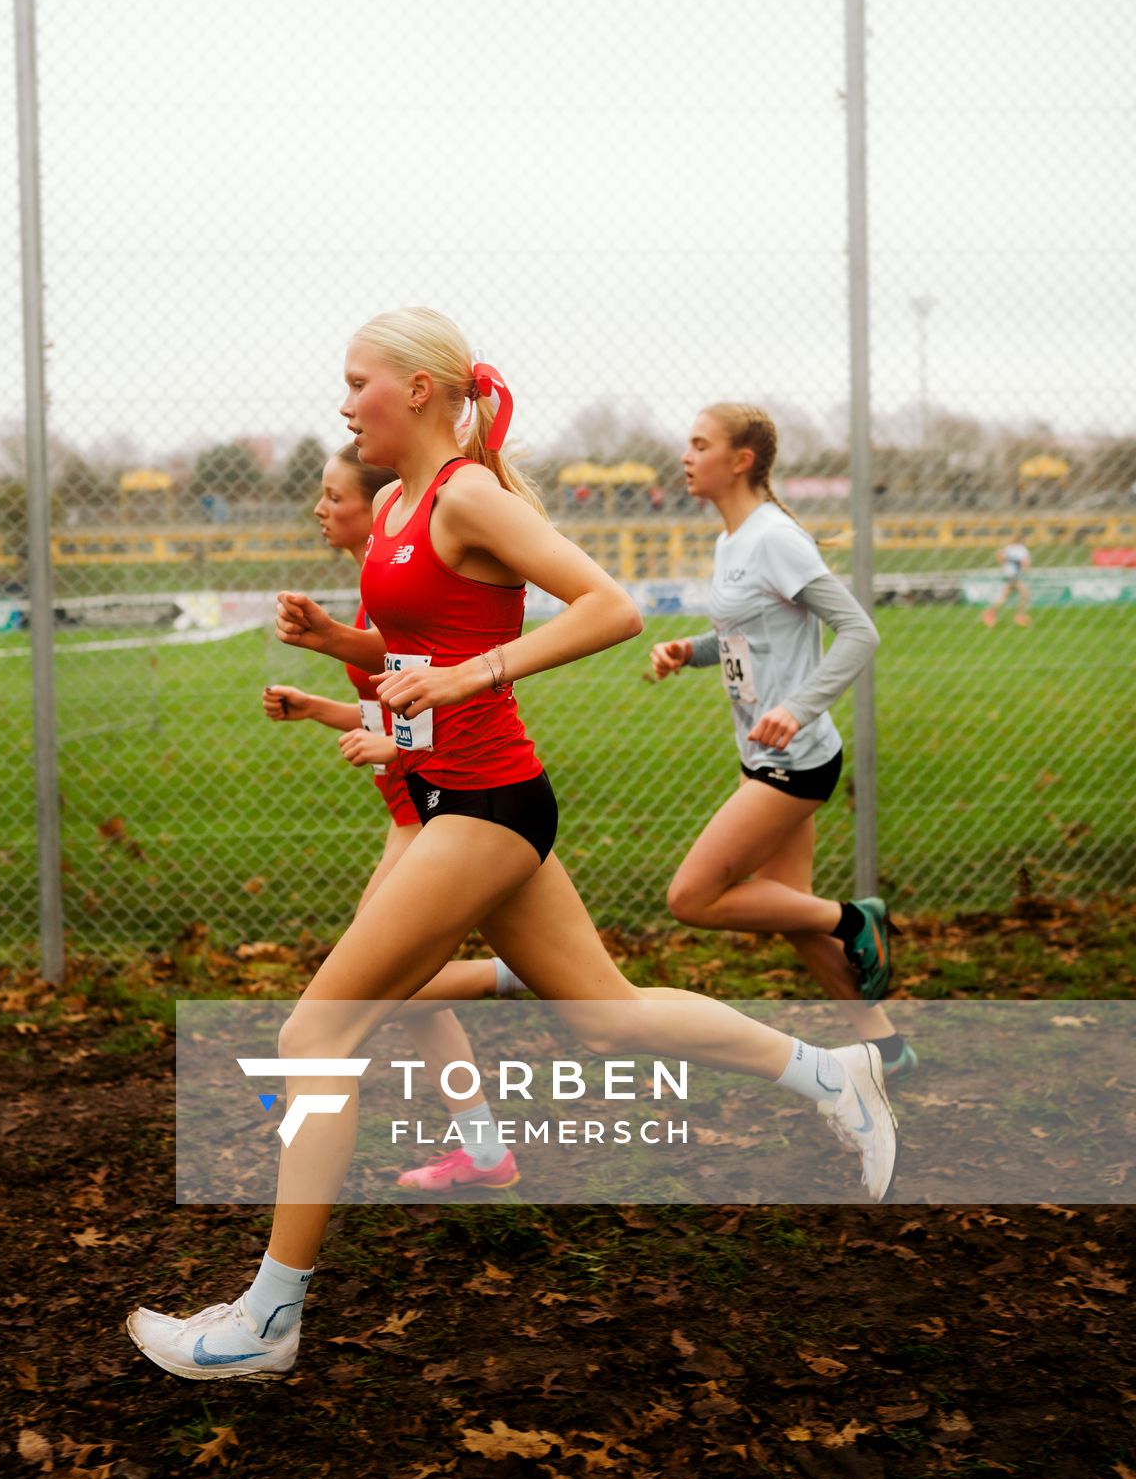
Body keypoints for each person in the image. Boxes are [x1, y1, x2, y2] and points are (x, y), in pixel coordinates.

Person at [127, 309, 899, 1383]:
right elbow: (415, 648)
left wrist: (475, 676)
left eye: (359, 383)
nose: (344, 403)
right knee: (606, 1016)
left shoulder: (469, 495)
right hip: (469, 800)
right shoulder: (394, 503)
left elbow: (610, 607)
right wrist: (342, 646)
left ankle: (267, 1320)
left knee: (314, 1035)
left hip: (485, 810)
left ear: (423, 390)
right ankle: (829, 1071)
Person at [263, 442, 532, 1194]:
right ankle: (484, 1152)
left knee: (375, 992)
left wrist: (390, 738)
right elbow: (399, 699)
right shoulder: (378, 589)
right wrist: (324, 708)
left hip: (434, 807)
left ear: (378, 501)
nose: (320, 509)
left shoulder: (408, 579)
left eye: (331, 495)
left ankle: (510, 976)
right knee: (402, 996)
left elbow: (451, 696)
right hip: (413, 804)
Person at [649, 403, 915, 1082]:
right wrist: (693, 651)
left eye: (700, 443)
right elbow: (755, 636)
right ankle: (889, 1050)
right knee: (792, 917)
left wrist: (799, 707)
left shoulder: (774, 538)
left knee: (693, 898)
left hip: (792, 762)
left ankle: (857, 918)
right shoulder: (731, 541)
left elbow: (859, 631)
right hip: (761, 757)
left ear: (741, 460)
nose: (686, 454)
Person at [982, 536, 1032, 628]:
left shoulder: (1009, 548)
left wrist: (1004, 566)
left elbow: (999, 556)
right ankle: (1019, 615)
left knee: (1005, 597)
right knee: (1024, 593)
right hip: (1015, 575)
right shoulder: (1022, 549)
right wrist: (1024, 569)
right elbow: (1025, 562)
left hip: (1008, 574)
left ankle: (990, 612)